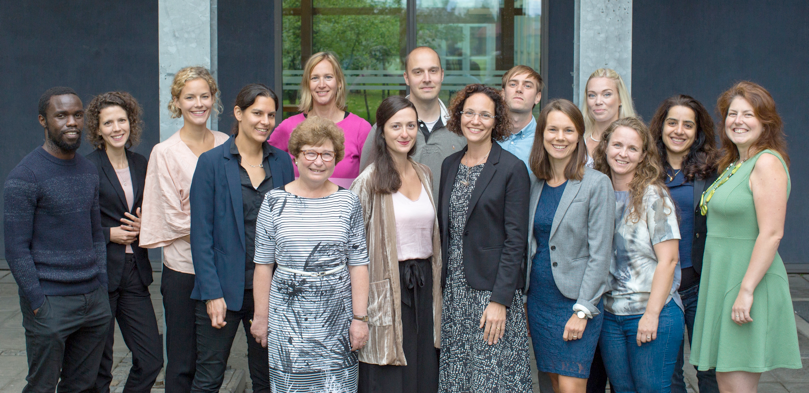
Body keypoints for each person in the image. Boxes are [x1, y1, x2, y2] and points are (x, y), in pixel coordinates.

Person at [690, 81, 801, 391]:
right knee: (726, 381)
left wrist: (747, 290)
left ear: (765, 121)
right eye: (732, 114)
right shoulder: (734, 164)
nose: (738, 121)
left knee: (737, 385)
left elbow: (772, 232)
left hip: (745, 283)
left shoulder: (766, 162)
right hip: (724, 280)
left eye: (748, 114)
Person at [4, 87, 111, 391]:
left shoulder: (88, 170)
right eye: (61, 115)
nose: (71, 122)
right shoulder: (25, 177)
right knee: (42, 385)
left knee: (81, 385)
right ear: (43, 120)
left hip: (92, 300)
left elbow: (95, 235)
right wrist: (38, 302)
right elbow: (15, 249)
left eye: (77, 115)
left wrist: (101, 287)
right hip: (50, 302)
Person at [252, 116, 370, 392]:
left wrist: (360, 319)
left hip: (337, 323)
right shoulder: (273, 202)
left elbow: (359, 264)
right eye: (310, 153)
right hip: (287, 324)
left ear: (336, 158)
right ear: (296, 156)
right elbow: (263, 265)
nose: (318, 161)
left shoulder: (349, 201)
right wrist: (261, 317)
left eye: (326, 154)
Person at [188, 84, 294, 392]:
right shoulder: (211, 163)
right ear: (239, 113)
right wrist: (211, 294)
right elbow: (201, 235)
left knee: (268, 379)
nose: (264, 121)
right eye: (257, 113)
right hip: (223, 289)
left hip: (271, 291)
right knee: (208, 380)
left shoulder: (283, 162)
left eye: (271, 115)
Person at [437, 84, 532, 392]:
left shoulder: (511, 169)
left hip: (491, 295)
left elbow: (515, 241)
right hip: (454, 294)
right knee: (459, 378)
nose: (475, 121)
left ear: (496, 120)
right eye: (469, 113)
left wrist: (500, 301)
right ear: (458, 116)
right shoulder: (449, 165)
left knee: (494, 379)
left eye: (484, 115)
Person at [140, 66, 229, 392]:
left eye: (204, 96)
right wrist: (222, 226)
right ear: (176, 102)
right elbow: (169, 214)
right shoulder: (164, 153)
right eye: (189, 97)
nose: (198, 103)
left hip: (222, 270)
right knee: (181, 361)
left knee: (213, 360)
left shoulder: (226, 144)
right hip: (183, 270)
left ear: (213, 99)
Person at [351, 96, 443, 393]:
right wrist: (358, 312)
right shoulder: (368, 181)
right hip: (387, 288)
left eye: (411, 125)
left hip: (424, 286)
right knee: (388, 377)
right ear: (382, 132)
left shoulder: (424, 173)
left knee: (423, 372)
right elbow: (351, 249)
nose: (405, 133)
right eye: (396, 126)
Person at [524, 99, 615, 393]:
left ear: (579, 136)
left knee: (572, 386)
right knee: (552, 384)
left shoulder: (596, 184)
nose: (559, 137)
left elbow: (601, 254)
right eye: (552, 130)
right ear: (542, 135)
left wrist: (583, 310)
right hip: (540, 300)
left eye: (568, 130)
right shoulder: (535, 183)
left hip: (576, 302)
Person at [592, 117, 684, 392]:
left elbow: (669, 260)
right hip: (610, 315)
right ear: (605, 146)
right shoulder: (597, 191)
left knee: (651, 388)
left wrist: (651, 315)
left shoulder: (653, 196)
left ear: (644, 155)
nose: (623, 153)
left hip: (652, 311)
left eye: (632, 148)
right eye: (617, 144)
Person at [85, 91, 163, 393]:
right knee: (98, 367)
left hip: (134, 271)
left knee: (151, 358)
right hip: (99, 273)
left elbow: (153, 210)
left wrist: (147, 224)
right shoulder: (87, 167)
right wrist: (109, 234)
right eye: (108, 123)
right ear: (98, 129)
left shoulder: (141, 163)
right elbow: (74, 226)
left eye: (122, 120)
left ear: (131, 122)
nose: (117, 128)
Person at [648, 95, 719, 393]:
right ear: (661, 127)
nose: (679, 130)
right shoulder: (646, 167)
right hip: (660, 287)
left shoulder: (713, 170)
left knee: (709, 371)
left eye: (688, 125)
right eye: (672, 122)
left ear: (698, 130)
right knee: (668, 373)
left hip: (700, 284)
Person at [359, 46, 467, 200]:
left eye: (433, 71)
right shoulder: (385, 128)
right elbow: (365, 190)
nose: (427, 78)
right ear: (406, 78)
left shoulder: (461, 128)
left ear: (442, 75)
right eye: (418, 72)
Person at [269, 51, 372, 188]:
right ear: (308, 85)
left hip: (344, 208)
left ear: (339, 82)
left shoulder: (361, 128)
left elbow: (373, 178)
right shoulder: (289, 127)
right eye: (315, 78)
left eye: (328, 77)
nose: (321, 84)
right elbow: (265, 163)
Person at [581, 68, 636, 169]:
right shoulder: (577, 139)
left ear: (620, 99)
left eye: (606, 94)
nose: (598, 101)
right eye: (592, 95)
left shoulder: (635, 139)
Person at [499, 64, 543, 167]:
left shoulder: (545, 140)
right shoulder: (487, 136)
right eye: (513, 84)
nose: (519, 89)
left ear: (537, 97)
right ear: (503, 94)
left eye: (527, 85)